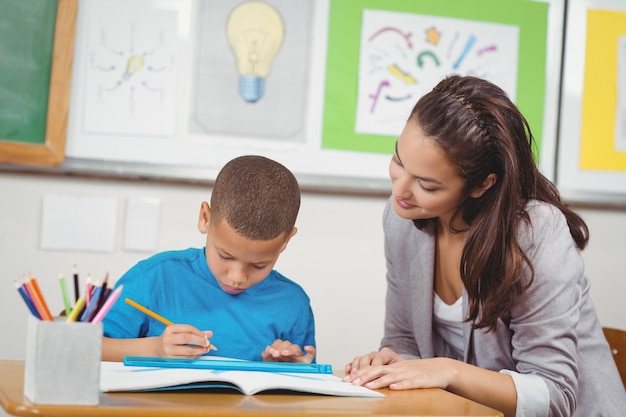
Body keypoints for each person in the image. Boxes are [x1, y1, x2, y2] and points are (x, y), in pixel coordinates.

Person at [343, 75, 626, 417]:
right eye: (399, 161)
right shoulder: (403, 221)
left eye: (427, 185)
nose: (400, 191)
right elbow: (404, 338)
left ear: (482, 185)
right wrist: (393, 361)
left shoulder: (536, 233)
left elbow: (554, 395)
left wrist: (447, 370)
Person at [102, 155, 316, 363]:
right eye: (225, 256)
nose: (237, 277)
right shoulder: (155, 278)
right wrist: (154, 349)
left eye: (259, 265)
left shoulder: (292, 303)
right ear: (205, 218)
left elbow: (306, 377)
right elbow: (88, 347)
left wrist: (288, 367)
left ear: (287, 240)